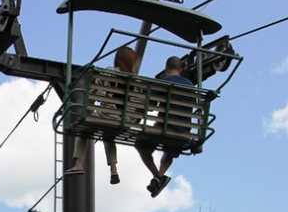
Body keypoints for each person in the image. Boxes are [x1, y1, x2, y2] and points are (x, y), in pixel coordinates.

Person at [67, 46, 140, 185]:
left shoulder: (107, 72)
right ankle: (113, 169)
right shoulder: (135, 80)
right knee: (109, 135)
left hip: (104, 116)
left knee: (82, 129)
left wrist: (87, 109)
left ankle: (79, 164)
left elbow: (92, 94)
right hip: (123, 120)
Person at [136, 56, 195, 198]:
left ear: (166, 68)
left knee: (140, 145)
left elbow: (148, 106)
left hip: (163, 129)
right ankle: (159, 177)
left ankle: (157, 175)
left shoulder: (163, 82)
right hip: (183, 132)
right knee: (169, 152)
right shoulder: (191, 86)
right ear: (180, 70)